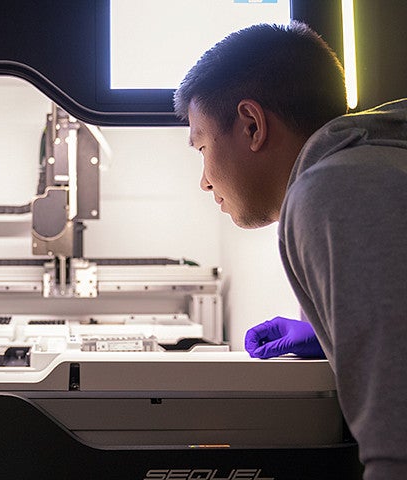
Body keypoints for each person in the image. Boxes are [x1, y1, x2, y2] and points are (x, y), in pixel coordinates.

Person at [174, 21, 407, 480]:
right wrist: (331, 338)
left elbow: (399, 445)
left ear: (252, 124)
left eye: (201, 146)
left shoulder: (334, 188)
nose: (203, 179)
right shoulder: (379, 160)